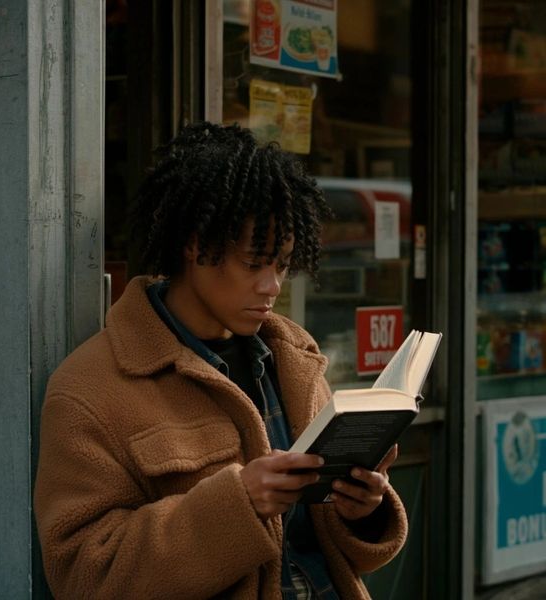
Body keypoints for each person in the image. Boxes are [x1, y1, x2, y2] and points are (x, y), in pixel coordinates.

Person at [34, 121, 408, 599]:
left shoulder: (295, 357)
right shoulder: (92, 387)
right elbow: (83, 574)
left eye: (283, 264)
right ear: (196, 244)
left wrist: (363, 510)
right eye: (254, 263)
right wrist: (237, 506)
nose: (272, 285)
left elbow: (338, 554)